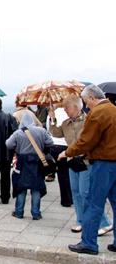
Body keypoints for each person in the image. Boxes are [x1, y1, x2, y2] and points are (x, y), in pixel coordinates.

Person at [58, 85, 116, 256]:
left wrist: (67, 152)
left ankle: (89, 243)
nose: (86, 106)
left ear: (92, 98)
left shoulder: (97, 113)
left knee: (92, 203)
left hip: (103, 163)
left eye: (85, 102)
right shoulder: (113, 109)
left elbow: (86, 141)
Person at [49, 94, 112, 233]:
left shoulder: (89, 119)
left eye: (67, 109)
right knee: (76, 192)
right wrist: (52, 119)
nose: (65, 111)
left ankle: (104, 222)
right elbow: (56, 133)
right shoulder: (66, 123)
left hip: (86, 161)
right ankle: (80, 220)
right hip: (72, 161)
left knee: (86, 192)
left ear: (76, 107)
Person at [6, 114, 54, 219]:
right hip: (37, 161)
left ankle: (19, 211)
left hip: (22, 162)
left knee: (21, 187)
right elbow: (50, 142)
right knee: (36, 187)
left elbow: (8, 144)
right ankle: (36, 213)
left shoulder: (18, 133)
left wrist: (17, 147)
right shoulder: (41, 131)